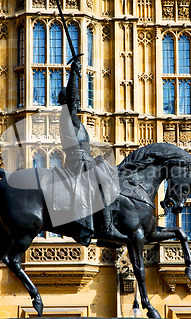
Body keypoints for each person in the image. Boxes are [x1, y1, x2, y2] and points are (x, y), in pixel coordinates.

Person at [56, 57, 127, 243]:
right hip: (77, 164)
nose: (78, 103)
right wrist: (73, 74)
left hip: (83, 161)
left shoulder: (74, 121)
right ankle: (105, 227)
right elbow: (72, 98)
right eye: (75, 101)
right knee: (101, 180)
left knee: (109, 173)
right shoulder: (67, 116)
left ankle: (109, 222)